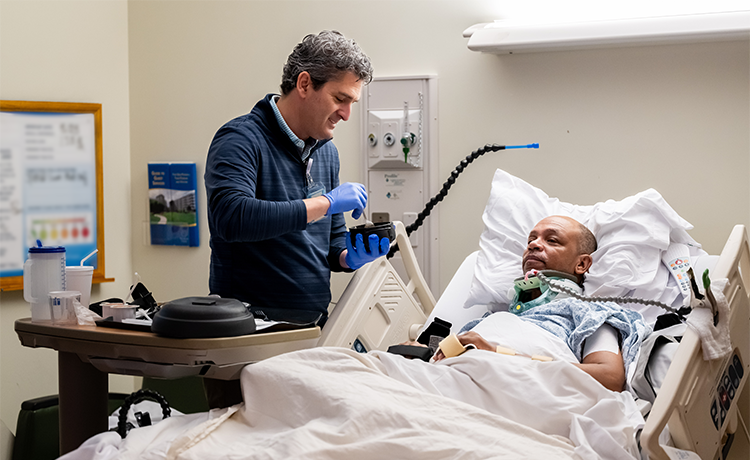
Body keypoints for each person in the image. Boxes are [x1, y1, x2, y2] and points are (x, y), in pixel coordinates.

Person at [202, 31, 389, 408]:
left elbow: (331, 241)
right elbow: (231, 216)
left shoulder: (326, 153)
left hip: (310, 331)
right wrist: (324, 203)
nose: (347, 114)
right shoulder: (241, 139)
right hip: (249, 335)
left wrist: (348, 257)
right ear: (305, 83)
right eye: (340, 99)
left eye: (352, 102)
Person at [425, 215, 646, 392]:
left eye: (552, 240)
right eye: (531, 240)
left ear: (581, 263)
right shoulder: (487, 322)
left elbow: (610, 378)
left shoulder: (590, 314)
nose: (534, 245)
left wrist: (498, 353)